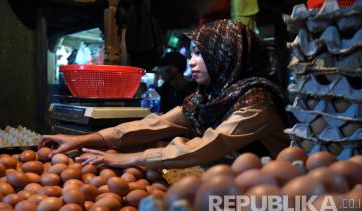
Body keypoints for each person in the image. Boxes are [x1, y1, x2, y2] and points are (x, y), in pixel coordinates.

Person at [39, 19, 291, 169]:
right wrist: (82, 140)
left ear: (226, 55)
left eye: (200, 53)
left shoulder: (257, 101)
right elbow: (156, 124)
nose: (191, 62)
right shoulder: (209, 97)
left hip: (277, 191)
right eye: (191, 53)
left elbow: (208, 146)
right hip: (240, 179)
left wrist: (127, 159)